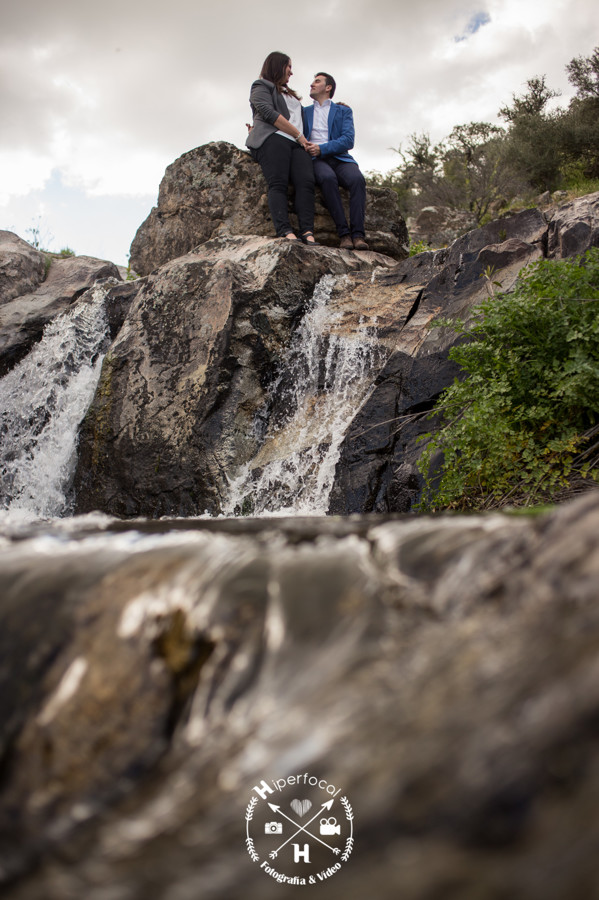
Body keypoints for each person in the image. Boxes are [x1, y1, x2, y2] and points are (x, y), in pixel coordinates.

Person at [246, 52, 317, 244]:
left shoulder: (291, 94)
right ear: (277, 66)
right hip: (274, 138)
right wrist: (299, 136)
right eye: (289, 67)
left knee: (307, 183)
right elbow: (268, 113)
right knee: (278, 183)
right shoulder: (261, 86)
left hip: (297, 143)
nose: (291, 73)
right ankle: (285, 230)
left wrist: (301, 139)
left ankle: (308, 232)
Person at [304, 72, 369, 250]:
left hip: (340, 157)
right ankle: (344, 235)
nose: (312, 84)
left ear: (328, 87)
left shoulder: (344, 111)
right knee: (327, 178)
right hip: (316, 159)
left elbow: (348, 140)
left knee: (357, 180)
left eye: (317, 81)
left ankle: (358, 235)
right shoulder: (304, 112)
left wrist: (323, 148)